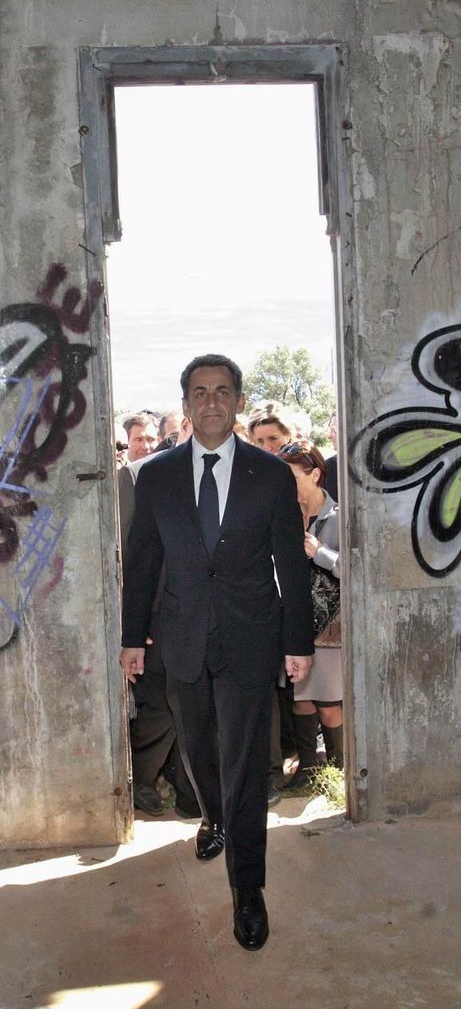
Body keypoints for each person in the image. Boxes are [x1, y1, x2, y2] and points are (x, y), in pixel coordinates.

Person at [120, 354, 314, 952]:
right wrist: (131, 638)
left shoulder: (271, 475)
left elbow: (292, 565)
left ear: (237, 402)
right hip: (180, 638)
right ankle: (215, 815)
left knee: (246, 762)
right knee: (200, 751)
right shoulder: (155, 475)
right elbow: (143, 561)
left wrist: (298, 642)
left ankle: (248, 889)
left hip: (250, 637)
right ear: (186, 404)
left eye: (223, 391)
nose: (211, 401)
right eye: (200, 392)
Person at [118, 416, 201, 820]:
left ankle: (192, 795)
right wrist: (138, 624)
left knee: (197, 708)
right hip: (156, 616)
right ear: (185, 423)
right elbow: (133, 555)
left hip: (204, 614)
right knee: (159, 707)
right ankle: (142, 781)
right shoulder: (135, 477)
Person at [278, 440, 343, 787]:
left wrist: (320, 553)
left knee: (330, 703)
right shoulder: (282, 515)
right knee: (300, 699)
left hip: (331, 626)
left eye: (291, 478)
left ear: (315, 474)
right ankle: (307, 769)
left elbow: (355, 571)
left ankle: (337, 771)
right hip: (293, 622)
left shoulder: (340, 516)